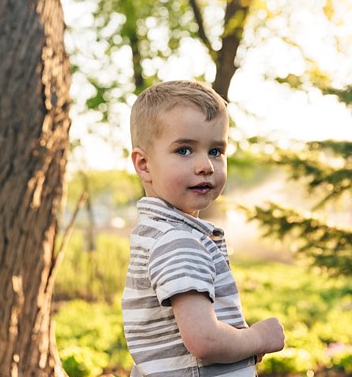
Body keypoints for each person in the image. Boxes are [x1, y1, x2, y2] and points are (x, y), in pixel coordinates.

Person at [121, 80, 284, 376]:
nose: (206, 165)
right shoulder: (178, 240)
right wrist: (258, 338)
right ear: (144, 165)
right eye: (184, 150)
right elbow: (204, 340)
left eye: (215, 151)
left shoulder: (159, 233)